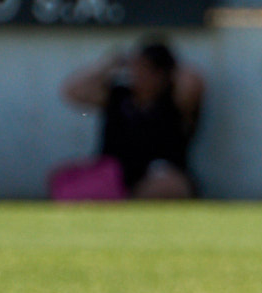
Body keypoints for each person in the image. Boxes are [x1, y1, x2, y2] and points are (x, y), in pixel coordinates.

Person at [59, 39, 205, 198]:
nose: (136, 74)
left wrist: (172, 66)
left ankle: (126, 200)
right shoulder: (118, 96)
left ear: (162, 74)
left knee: (172, 185)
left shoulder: (173, 102)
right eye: (135, 67)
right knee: (68, 179)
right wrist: (107, 64)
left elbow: (193, 86)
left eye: (145, 68)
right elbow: (72, 91)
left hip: (156, 178)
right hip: (114, 175)